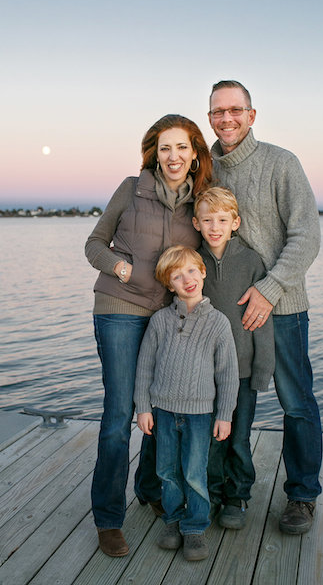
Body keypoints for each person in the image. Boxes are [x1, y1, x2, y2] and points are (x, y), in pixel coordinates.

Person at [85, 114, 212, 557]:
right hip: (119, 308)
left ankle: (149, 488)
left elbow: (213, 246)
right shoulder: (131, 187)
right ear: (154, 154)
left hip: (167, 316)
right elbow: (94, 244)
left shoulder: (200, 201)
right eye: (164, 148)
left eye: (181, 148)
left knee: (161, 407)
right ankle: (108, 518)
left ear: (194, 154)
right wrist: (122, 268)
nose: (172, 156)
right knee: (120, 415)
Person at [207, 80, 322, 535]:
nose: (227, 118)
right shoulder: (206, 169)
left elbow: (307, 237)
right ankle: (220, 489)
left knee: (295, 403)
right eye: (218, 111)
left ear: (252, 115)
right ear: (210, 116)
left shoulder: (281, 163)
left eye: (236, 110)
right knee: (223, 403)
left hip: (284, 306)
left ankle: (303, 496)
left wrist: (269, 289)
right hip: (226, 310)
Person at [134, 246, 239, 561]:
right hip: (164, 412)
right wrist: (143, 407)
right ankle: (173, 519)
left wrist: (224, 415)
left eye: (192, 271)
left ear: (203, 272)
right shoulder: (160, 321)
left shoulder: (218, 323)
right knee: (167, 470)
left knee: (194, 472)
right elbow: (144, 367)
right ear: (169, 285)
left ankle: (194, 527)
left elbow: (228, 374)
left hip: (199, 415)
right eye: (177, 276)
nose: (187, 280)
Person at [192, 187, 275, 529]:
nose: (215, 227)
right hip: (204, 373)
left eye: (223, 220)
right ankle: (210, 493)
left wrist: (262, 370)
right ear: (195, 223)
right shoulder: (192, 263)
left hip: (242, 371)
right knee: (211, 438)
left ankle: (237, 495)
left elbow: (262, 322)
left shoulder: (251, 261)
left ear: (235, 222)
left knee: (239, 436)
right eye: (208, 220)